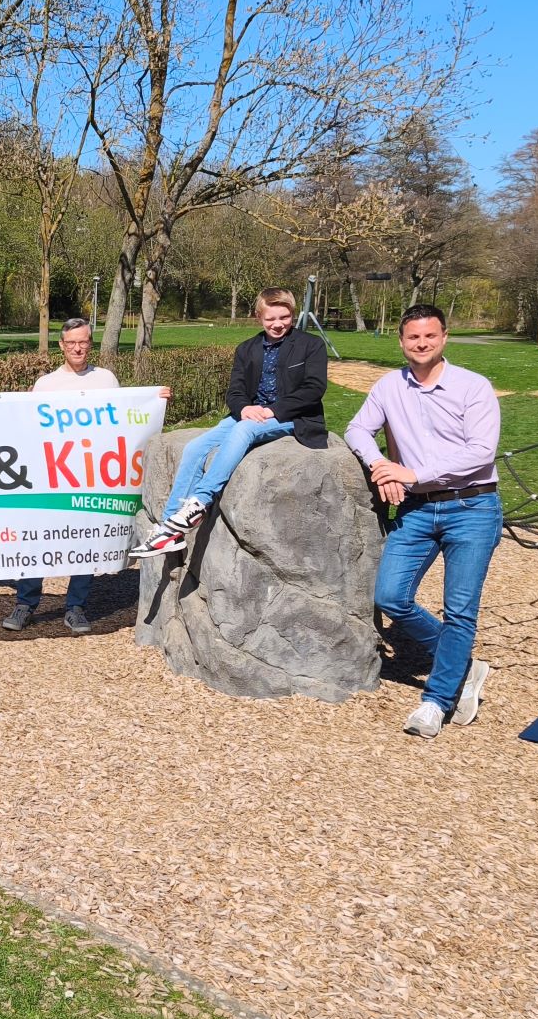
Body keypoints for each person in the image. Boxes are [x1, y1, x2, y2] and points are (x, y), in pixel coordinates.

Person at [344, 304, 501, 738]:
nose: (421, 344)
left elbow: (480, 452)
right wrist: (380, 466)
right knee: (390, 596)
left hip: (472, 508)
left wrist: (411, 473)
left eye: (430, 336)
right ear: (402, 341)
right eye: (413, 338)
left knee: (460, 610)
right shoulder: (389, 386)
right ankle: (462, 665)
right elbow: (357, 430)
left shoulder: (473, 387)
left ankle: (435, 701)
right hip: (416, 510)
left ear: (444, 337)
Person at [131, 288, 327, 559]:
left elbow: (313, 389)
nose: (278, 324)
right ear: (259, 317)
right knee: (195, 448)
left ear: (293, 315)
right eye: (271, 318)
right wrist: (245, 407)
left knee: (244, 430)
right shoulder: (247, 348)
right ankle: (169, 528)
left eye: (285, 317)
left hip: (290, 417)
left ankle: (199, 502)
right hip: (248, 413)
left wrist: (272, 411)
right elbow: (234, 391)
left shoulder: (310, 345)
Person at [1, 318, 132, 635]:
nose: (77, 347)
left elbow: (125, 420)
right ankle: (26, 603)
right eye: (71, 342)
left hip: (90, 475)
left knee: (84, 540)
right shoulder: (46, 384)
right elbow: (29, 429)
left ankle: (75, 607)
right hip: (51, 476)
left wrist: (157, 400)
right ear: (61, 345)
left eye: (83, 341)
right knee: (37, 540)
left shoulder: (106, 380)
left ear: (90, 343)